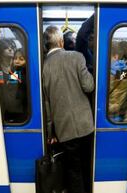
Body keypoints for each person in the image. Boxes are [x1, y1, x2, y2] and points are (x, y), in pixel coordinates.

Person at [42, 25, 94, 193]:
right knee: (87, 166)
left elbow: (47, 104)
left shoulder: (44, 68)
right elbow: (89, 86)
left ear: (46, 45)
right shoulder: (77, 57)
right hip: (86, 125)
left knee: (73, 170)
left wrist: (50, 134)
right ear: (61, 41)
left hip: (64, 129)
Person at [0, 39, 27, 123]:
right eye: (6, 47)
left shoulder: (19, 70)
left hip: (20, 111)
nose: (10, 49)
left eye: (12, 47)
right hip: (7, 110)